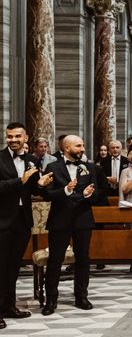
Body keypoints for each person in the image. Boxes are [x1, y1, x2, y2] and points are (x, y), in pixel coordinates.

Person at [0, 123, 52, 328]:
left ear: (25, 137)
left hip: (22, 220)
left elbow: (33, 189)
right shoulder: (0, 158)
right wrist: (20, 180)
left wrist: (41, 184)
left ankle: (9, 306)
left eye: (17, 136)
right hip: (2, 220)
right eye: (9, 136)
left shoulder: (31, 160)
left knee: (13, 267)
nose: (13, 140)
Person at [41, 135, 100, 315]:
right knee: (55, 261)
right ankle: (51, 300)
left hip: (83, 219)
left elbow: (98, 193)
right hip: (60, 219)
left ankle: (81, 296)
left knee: (83, 259)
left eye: (83, 145)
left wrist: (88, 195)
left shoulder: (89, 167)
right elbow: (47, 194)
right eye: (79, 146)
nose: (82, 148)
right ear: (67, 148)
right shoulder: (53, 167)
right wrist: (67, 190)